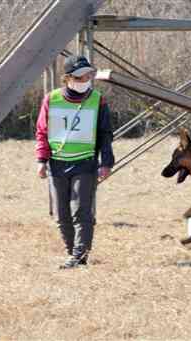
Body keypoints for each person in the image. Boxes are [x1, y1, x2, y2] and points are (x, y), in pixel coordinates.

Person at [35, 55, 114, 269]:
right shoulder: (51, 99)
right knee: (62, 215)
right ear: (68, 78)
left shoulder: (98, 99)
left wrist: (106, 163)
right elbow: (42, 131)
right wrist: (41, 160)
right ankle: (72, 253)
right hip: (57, 164)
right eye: (80, 76)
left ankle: (79, 256)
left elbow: (106, 133)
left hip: (85, 163)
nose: (86, 79)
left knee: (81, 210)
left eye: (88, 74)